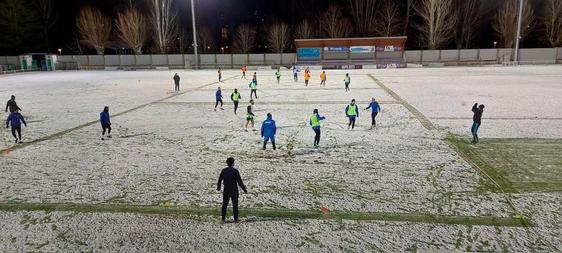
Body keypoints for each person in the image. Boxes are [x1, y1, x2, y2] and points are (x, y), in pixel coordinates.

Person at [217, 157, 247, 224]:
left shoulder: (224, 170)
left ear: (227, 163)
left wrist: (218, 187)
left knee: (224, 204)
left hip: (226, 189)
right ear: (233, 163)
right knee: (235, 205)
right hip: (234, 190)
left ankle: (223, 219)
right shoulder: (235, 171)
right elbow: (239, 182)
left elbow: (219, 179)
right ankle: (236, 220)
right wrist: (244, 189)